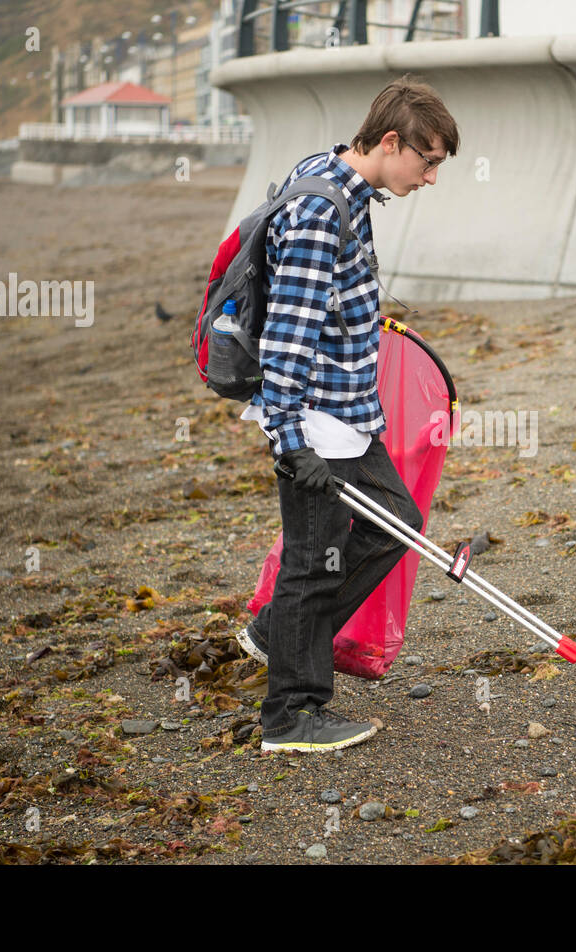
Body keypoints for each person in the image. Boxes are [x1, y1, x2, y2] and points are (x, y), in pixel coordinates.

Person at [237, 75, 460, 754]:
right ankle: (292, 714)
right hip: (317, 424)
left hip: (350, 414)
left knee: (401, 524)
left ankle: (278, 632)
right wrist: (290, 439)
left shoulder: (339, 180)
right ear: (390, 142)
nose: (428, 179)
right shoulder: (321, 213)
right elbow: (286, 338)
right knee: (313, 562)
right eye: (426, 162)